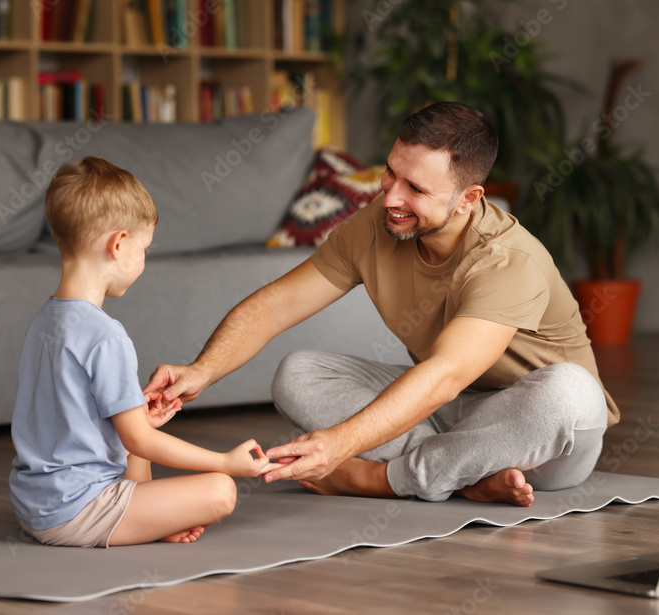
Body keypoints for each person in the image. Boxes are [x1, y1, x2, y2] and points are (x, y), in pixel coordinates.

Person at [144, 102, 620, 507]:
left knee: (572, 393)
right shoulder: (377, 225)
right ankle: (463, 474)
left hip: (536, 433)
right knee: (299, 372)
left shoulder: (507, 260)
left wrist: (341, 447)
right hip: (449, 416)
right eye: (391, 173)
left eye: (415, 188)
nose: (390, 196)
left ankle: (381, 480)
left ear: (467, 199)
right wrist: (202, 370)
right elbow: (277, 304)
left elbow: (446, 376)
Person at [9, 156, 278, 548]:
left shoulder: (43, 322)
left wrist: (138, 420)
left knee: (138, 433)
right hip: (77, 510)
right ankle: (144, 521)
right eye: (144, 248)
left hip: (33, 506)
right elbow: (139, 444)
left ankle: (145, 519)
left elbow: (63, 421)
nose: (143, 260)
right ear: (118, 244)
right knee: (221, 491)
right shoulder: (106, 335)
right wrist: (225, 462)